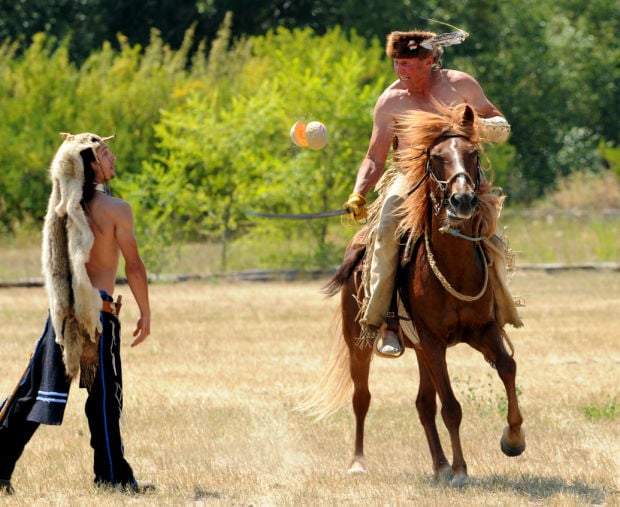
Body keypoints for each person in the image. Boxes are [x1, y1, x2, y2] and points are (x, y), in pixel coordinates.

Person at [343, 29, 511, 358]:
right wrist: (358, 194)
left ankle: (497, 312)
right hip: (409, 176)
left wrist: (488, 127)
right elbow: (375, 157)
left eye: (407, 63)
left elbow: (495, 117)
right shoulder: (391, 101)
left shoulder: (460, 84)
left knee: (491, 236)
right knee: (387, 231)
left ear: (429, 60)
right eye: (396, 63)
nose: (400, 70)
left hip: (458, 171)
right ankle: (385, 321)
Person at [0, 133, 152, 495]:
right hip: (97, 319)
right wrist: (146, 312)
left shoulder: (62, 209)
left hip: (65, 316)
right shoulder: (117, 210)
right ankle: (112, 477)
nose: (113, 157)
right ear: (90, 166)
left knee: (33, 392)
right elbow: (134, 265)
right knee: (103, 397)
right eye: (105, 153)